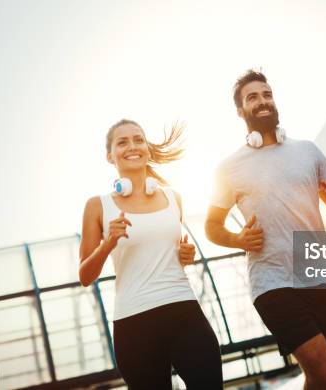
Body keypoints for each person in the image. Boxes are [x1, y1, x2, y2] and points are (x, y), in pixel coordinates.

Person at [205, 70, 326, 390]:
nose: (262, 101)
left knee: (323, 376)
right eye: (252, 97)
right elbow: (211, 226)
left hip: (319, 276)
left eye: (266, 94)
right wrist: (238, 239)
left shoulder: (308, 150)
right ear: (240, 110)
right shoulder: (229, 167)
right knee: (323, 367)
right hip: (272, 283)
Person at [79, 119, 223, 389]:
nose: (132, 146)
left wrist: (185, 255)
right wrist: (108, 242)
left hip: (184, 312)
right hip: (134, 323)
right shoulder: (97, 206)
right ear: (110, 156)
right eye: (122, 142)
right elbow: (85, 275)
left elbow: (168, 255)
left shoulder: (173, 197)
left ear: (147, 148)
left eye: (138, 139)